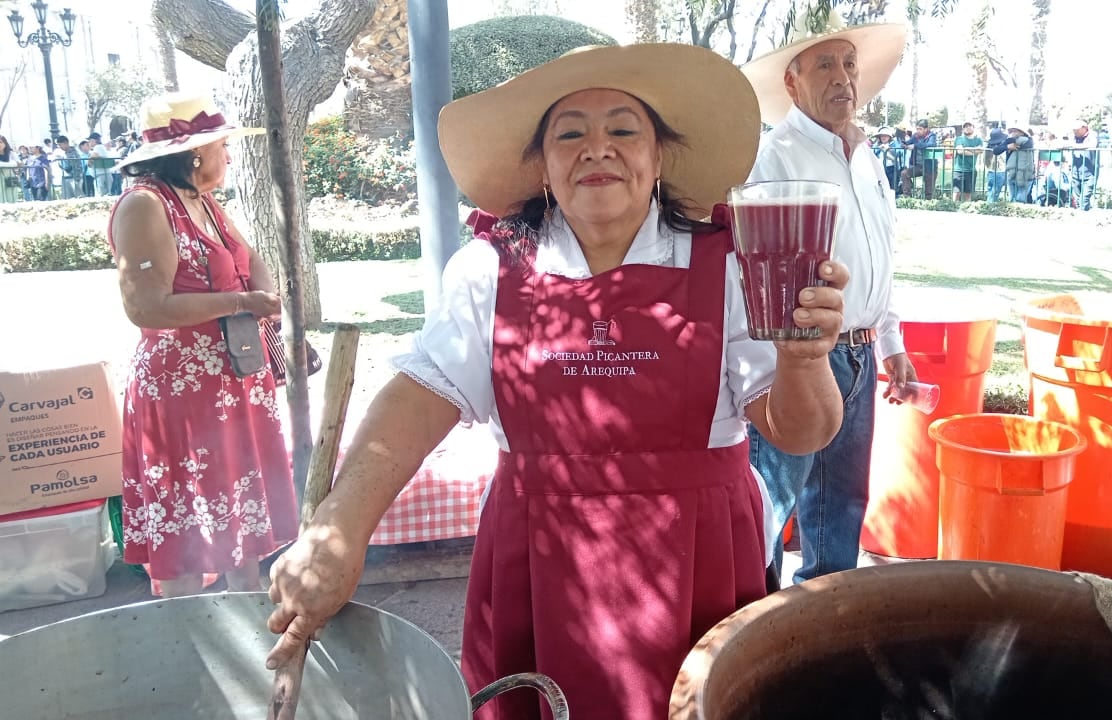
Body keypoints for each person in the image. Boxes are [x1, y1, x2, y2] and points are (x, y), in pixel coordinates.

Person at [265, 44, 850, 720]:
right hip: (539, 565)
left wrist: (804, 359)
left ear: (659, 157)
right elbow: (416, 402)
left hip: (698, 563)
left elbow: (803, 430)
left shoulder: (728, 263)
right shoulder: (491, 268)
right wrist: (336, 535)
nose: (597, 148)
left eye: (623, 129)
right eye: (569, 132)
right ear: (541, 167)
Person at [741, 21, 916, 584]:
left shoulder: (867, 156)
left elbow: (879, 254)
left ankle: (826, 618)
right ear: (791, 85)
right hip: (800, 357)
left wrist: (892, 344)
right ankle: (753, 618)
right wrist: (774, 368)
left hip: (860, 354)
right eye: (825, 66)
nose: (843, 78)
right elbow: (757, 276)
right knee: (773, 500)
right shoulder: (773, 158)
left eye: (848, 64)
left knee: (841, 501)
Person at [106, 92, 297, 598]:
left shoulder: (202, 200)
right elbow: (146, 308)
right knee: (185, 529)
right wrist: (241, 302)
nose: (229, 156)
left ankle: (249, 622)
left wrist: (260, 293)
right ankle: (185, 637)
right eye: (222, 146)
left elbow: (247, 258)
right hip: (182, 394)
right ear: (192, 153)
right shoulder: (145, 205)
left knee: (241, 523)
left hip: (231, 381)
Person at [902, 118, 939, 199]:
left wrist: (915, 145)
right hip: (918, 166)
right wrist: (903, 142)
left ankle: (928, 203)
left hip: (930, 167)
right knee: (905, 173)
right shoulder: (915, 136)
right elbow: (908, 142)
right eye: (917, 129)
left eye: (920, 129)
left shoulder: (932, 136)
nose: (918, 131)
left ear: (926, 129)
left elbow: (930, 144)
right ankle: (907, 197)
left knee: (929, 190)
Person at [952, 121, 984, 202]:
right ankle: (953, 209)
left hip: (971, 170)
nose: (968, 128)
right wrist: (973, 150)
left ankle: (966, 209)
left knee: (968, 193)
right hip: (958, 170)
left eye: (970, 126)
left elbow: (980, 151)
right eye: (965, 126)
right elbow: (960, 151)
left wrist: (965, 148)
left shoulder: (978, 140)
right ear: (963, 129)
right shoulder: (959, 139)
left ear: (973, 127)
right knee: (956, 193)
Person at [1004, 123, 1036, 203]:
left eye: (1015, 131)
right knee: (1020, 197)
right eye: (1012, 131)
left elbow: (999, 148)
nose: (1013, 133)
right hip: (1024, 173)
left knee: (1014, 197)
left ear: (1022, 132)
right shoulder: (1029, 142)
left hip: (1015, 172)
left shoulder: (1015, 142)